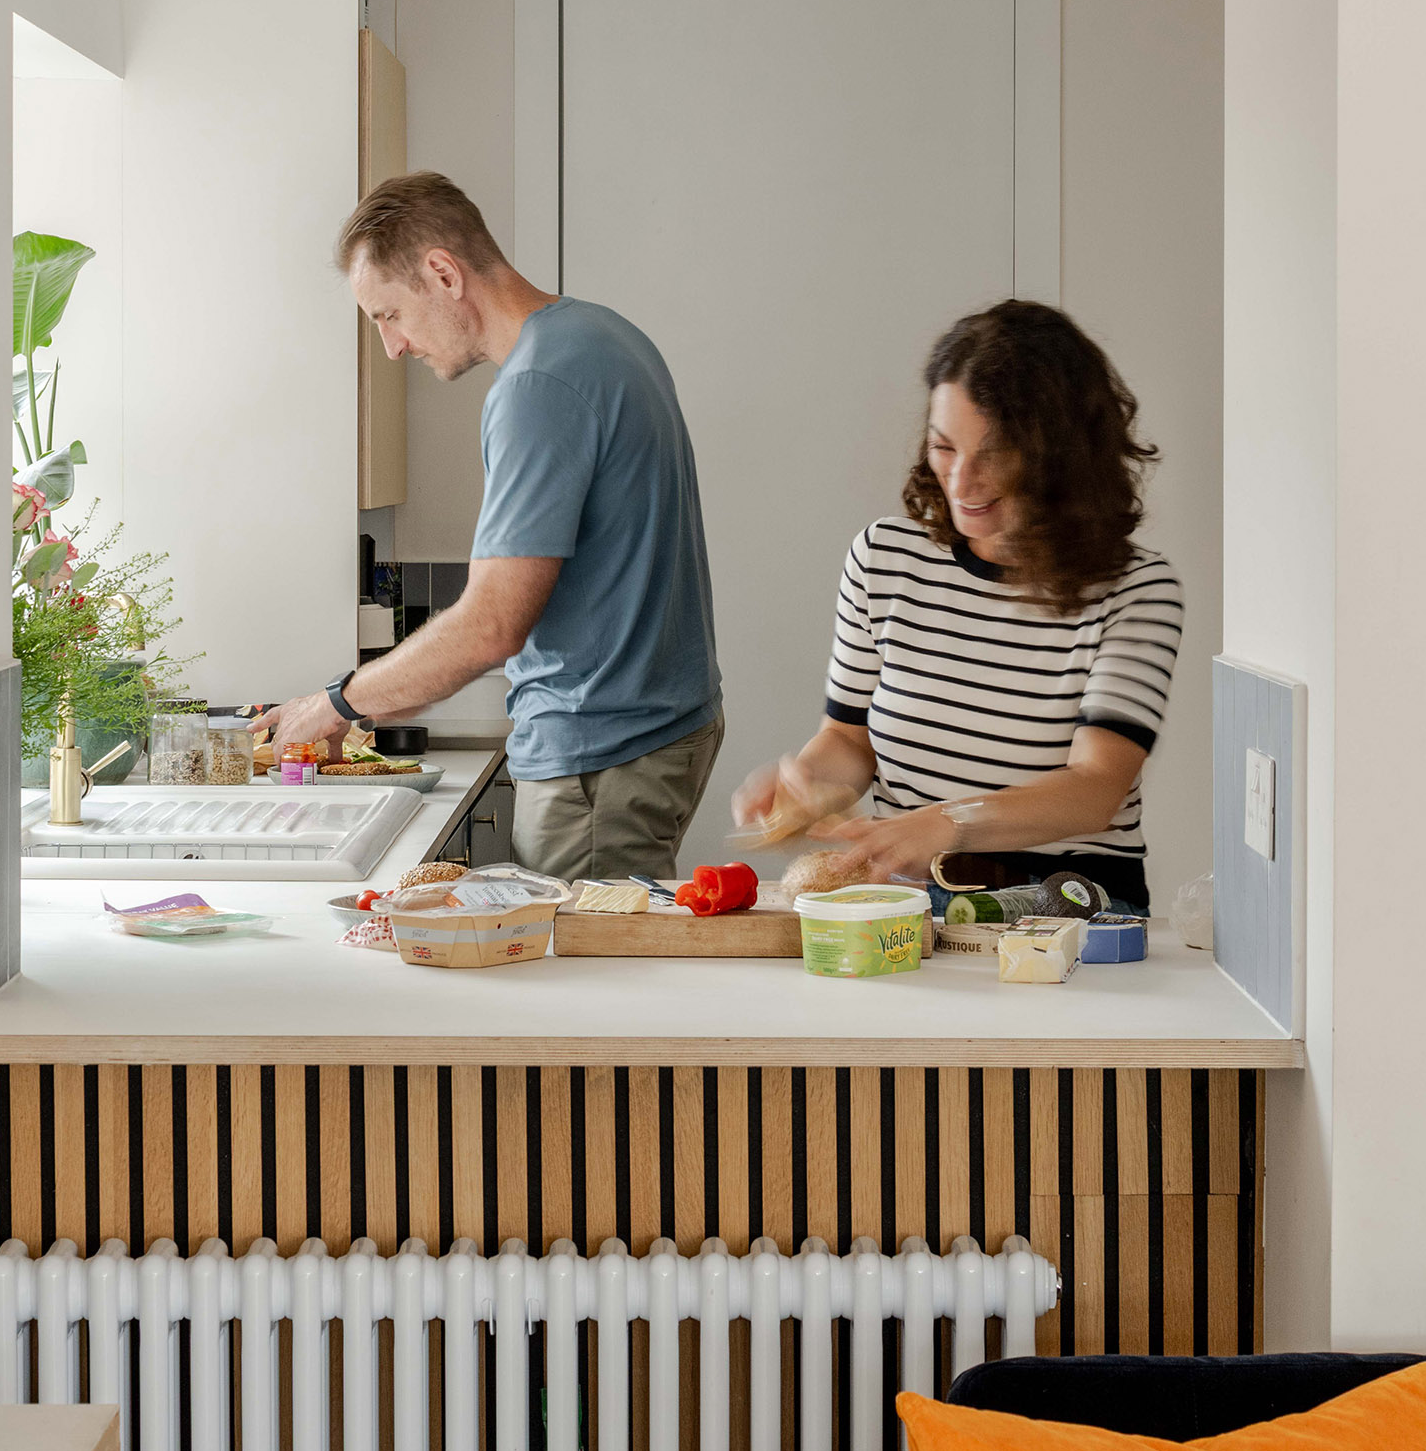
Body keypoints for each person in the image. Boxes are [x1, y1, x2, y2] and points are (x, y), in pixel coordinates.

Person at [265, 172, 722, 882]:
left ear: (442, 273)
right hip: (656, 730)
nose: (393, 346)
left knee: (584, 984)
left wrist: (338, 702)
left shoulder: (538, 387)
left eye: (388, 314)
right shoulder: (602, 335)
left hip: (599, 754)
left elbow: (490, 626)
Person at [732, 299, 1182, 909]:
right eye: (944, 447)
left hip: (1074, 908)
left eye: (994, 453)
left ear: (1063, 457)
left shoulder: (1136, 588)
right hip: (908, 907)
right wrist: (810, 783)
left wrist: (947, 823)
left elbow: (1096, 788)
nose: (961, 482)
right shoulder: (885, 556)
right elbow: (848, 738)